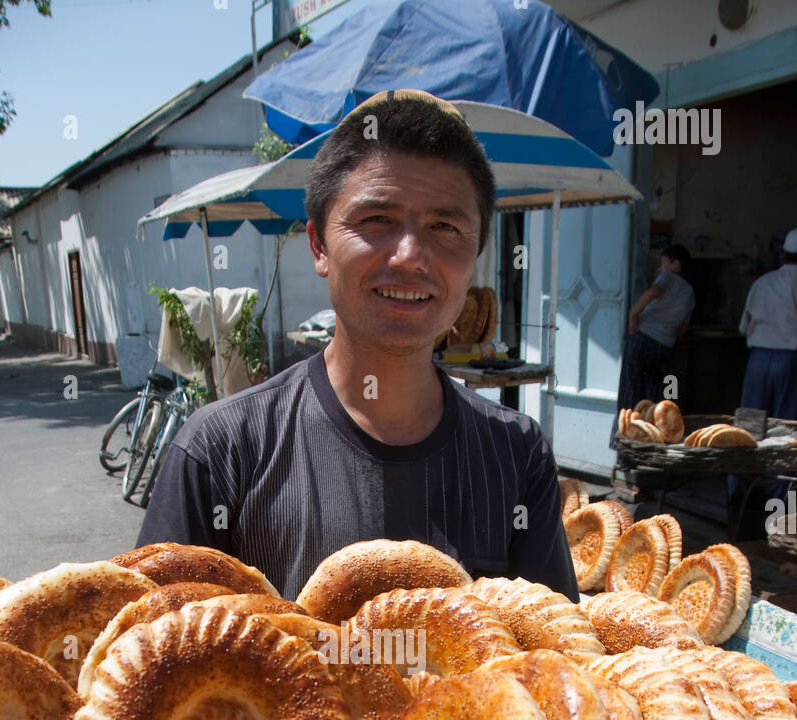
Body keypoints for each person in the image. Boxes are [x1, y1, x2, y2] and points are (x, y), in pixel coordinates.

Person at [137, 89, 578, 602]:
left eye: (445, 226)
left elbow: (555, 657)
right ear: (319, 245)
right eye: (377, 221)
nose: (412, 256)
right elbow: (150, 656)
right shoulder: (222, 452)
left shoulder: (516, 455)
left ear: (476, 253)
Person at [612, 245, 695, 443]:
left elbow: (653, 292)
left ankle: (624, 449)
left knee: (629, 399)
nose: (661, 268)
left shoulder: (668, 278)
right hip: (664, 348)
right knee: (652, 402)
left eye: (664, 263)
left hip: (643, 341)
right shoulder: (690, 293)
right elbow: (683, 328)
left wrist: (633, 314)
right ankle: (648, 445)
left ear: (676, 264)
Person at [739, 228, 797, 421]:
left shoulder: (762, 282)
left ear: (784, 254)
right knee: (785, 429)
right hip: (790, 362)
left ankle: (744, 453)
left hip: (757, 361)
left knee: (750, 424)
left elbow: (744, 327)